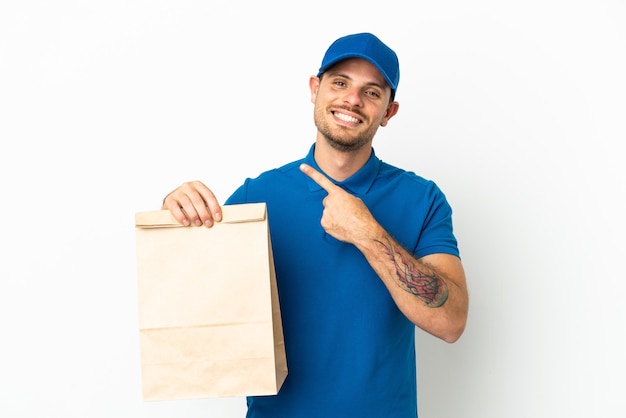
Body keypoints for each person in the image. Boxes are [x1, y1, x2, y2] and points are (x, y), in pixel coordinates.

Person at [161, 32, 469, 418]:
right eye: (340, 83)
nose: (352, 100)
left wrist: (366, 232)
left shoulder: (422, 199)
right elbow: (192, 308)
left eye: (372, 92)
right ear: (315, 89)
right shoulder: (257, 196)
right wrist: (177, 220)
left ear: (389, 112)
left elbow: (450, 321)